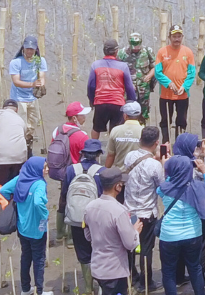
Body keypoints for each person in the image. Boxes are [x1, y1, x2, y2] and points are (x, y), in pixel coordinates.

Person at [157, 139, 205, 295]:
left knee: (169, 272)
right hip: (193, 234)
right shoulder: (197, 187)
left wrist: (167, 170)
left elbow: (160, 188)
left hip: (169, 236)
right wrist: (204, 171)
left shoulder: (165, 187)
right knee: (195, 269)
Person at [0, 157, 51, 295]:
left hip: (22, 228)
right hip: (37, 230)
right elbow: (37, 203)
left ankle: (26, 289)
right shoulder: (40, 184)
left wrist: (14, 199)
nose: (47, 170)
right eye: (44, 167)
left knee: (26, 257)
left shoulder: (20, 179)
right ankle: (40, 291)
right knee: (39, 260)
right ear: (36, 169)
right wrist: (45, 214)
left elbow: (3, 190)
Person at [83, 167, 137, 295]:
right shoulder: (119, 211)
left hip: (97, 266)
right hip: (115, 271)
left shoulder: (89, 207)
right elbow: (130, 244)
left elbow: (88, 236)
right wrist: (135, 231)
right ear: (117, 187)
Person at [123, 126, 165, 290]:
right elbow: (162, 187)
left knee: (131, 244)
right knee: (146, 248)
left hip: (130, 212)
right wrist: (161, 163)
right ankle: (146, 282)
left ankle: (132, 275)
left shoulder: (129, 157)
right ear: (156, 143)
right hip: (147, 213)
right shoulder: (155, 166)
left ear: (140, 140)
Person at [65, 139, 106, 293]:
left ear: (82, 153)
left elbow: (64, 196)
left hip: (76, 219)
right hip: (95, 220)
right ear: (98, 155)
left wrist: (63, 224)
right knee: (98, 250)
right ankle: (101, 286)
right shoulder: (102, 172)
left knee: (83, 254)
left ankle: (88, 288)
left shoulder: (71, 170)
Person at [53, 102, 93, 244]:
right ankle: (71, 238)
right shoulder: (82, 135)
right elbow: (87, 156)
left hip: (61, 172)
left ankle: (59, 233)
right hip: (76, 172)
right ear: (75, 118)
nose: (85, 118)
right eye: (83, 115)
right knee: (74, 200)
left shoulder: (57, 130)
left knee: (63, 199)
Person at [87, 38, 138, 138]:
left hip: (100, 102)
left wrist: (92, 100)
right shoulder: (123, 66)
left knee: (96, 128)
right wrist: (133, 103)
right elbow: (129, 89)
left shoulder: (95, 65)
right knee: (115, 130)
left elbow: (91, 86)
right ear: (116, 51)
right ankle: (113, 151)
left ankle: (92, 149)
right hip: (117, 103)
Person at [156, 24, 197, 143]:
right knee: (165, 120)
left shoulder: (188, 52)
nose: (177, 39)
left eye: (179, 36)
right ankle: (166, 143)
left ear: (182, 37)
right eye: (174, 36)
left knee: (181, 120)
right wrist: (168, 83)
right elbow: (158, 73)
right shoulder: (162, 52)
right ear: (169, 37)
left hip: (182, 95)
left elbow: (191, 73)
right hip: (165, 94)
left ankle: (180, 143)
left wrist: (185, 87)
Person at [9, 36, 48, 148]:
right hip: (19, 98)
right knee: (21, 124)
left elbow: (42, 75)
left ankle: (28, 143)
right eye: (27, 49)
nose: (30, 51)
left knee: (33, 123)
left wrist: (41, 83)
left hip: (32, 97)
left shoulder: (40, 60)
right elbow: (16, 81)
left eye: (32, 49)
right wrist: (32, 84)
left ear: (36, 49)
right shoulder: (16, 62)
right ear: (23, 48)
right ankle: (19, 145)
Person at [0, 99, 28, 186]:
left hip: (0, 158)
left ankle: (2, 199)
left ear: (3, 108)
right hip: (19, 157)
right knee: (14, 185)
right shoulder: (20, 119)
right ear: (17, 110)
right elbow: (25, 135)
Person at [121, 33, 157, 123]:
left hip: (143, 88)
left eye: (137, 45)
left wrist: (149, 76)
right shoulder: (123, 53)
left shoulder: (147, 51)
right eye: (133, 46)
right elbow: (117, 69)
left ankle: (142, 128)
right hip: (128, 88)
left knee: (143, 112)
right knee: (128, 110)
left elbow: (155, 67)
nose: (135, 48)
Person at [104, 101, 144, 168]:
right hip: (138, 174)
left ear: (125, 116)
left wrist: (105, 171)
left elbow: (111, 155)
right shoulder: (144, 131)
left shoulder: (115, 131)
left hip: (119, 174)